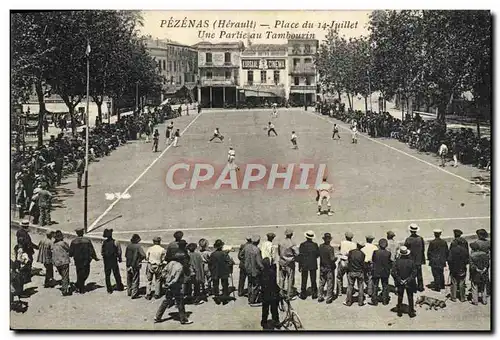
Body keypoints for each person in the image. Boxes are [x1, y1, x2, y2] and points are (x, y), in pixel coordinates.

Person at [155, 251, 193, 325]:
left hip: (168, 284)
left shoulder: (171, 263)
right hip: (176, 286)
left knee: (166, 301)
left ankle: (158, 316)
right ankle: (183, 319)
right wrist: (169, 284)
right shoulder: (180, 267)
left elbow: (163, 271)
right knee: (180, 303)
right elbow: (176, 279)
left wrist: (166, 280)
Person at [69, 227, 100, 294]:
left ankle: (79, 285)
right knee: (86, 272)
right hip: (86, 260)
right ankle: (81, 287)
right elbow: (91, 251)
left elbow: (71, 253)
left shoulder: (73, 242)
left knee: (79, 272)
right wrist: (95, 258)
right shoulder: (87, 241)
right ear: (82, 233)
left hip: (77, 260)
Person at [392, 246, 417, 318]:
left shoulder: (396, 262)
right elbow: (414, 273)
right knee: (410, 297)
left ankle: (399, 312)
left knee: (400, 296)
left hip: (400, 282)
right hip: (409, 282)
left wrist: (400, 280)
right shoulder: (411, 262)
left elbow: (393, 272)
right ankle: (411, 312)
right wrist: (407, 280)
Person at [101, 228, 124, 294]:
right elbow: (119, 251)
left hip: (106, 260)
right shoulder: (116, 242)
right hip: (113, 260)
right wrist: (120, 258)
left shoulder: (104, 242)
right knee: (116, 273)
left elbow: (102, 252)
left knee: (107, 274)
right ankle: (119, 286)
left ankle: (109, 289)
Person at [298, 230, 319, 300]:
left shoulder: (302, 245)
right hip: (313, 263)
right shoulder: (315, 245)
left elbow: (300, 256)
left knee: (304, 279)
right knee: (313, 279)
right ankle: (314, 293)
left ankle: (303, 294)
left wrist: (300, 265)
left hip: (304, 264)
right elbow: (317, 255)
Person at [404, 223, 425, 292]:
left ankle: (413, 287)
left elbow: (405, 249)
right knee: (419, 274)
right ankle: (420, 287)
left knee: (411, 274)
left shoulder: (408, 239)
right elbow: (423, 249)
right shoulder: (420, 239)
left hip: (411, 259)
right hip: (419, 259)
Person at [371, 238, 392, 306]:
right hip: (385, 272)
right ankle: (385, 300)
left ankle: (374, 300)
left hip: (376, 271)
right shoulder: (388, 253)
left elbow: (373, 260)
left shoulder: (375, 252)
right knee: (385, 286)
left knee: (375, 285)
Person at [278, 229, 298, 300]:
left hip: (282, 262)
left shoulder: (281, 242)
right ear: (291, 235)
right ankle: (289, 295)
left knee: (281, 279)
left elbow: (279, 252)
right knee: (290, 279)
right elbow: (297, 253)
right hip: (290, 263)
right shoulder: (292, 243)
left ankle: (280, 293)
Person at [261, 258, 280, 329]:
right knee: (274, 310)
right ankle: (276, 321)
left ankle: (264, 322)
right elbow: (274, 284)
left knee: (265, 310)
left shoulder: (262, 273)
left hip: (265, 295)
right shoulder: (272, 272)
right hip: (272, 295)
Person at [125, 233, 146, 299]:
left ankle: (129, 291)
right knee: (135, 279)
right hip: (135, 265)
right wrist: (139, 259)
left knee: (129, 278)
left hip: (128, 264)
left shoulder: (128, 246)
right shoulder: (138, 246)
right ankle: (134, 293)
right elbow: (143, 255)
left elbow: (126, 255)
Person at [344, 242, 365, 306]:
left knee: (350, 286)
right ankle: (360, 302)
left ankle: (348, 302)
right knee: (361, 287)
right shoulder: (362, 254)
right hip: (359, 272)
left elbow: (348, 261)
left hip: (352, 271)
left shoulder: (351, 252)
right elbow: (362, 264)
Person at [448, 238, 469, 302]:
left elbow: (449, 260)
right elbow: (467, 260)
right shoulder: (465, 250)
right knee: (462, 283)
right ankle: (462, 298)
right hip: (462, 269)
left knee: (454, 283)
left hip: (454, 269)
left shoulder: (452, 250)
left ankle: (453, 297)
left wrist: (450, 267)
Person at [336, 231, 357, 297]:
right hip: (350, 262)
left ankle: (339, 291)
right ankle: (350, 290)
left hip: (343, 261)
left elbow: (339, 248)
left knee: (339, 277)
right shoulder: (354, 244)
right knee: (349, 278)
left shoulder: (342, 242)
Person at [318, 232, 337, 303]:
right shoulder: (330, 248)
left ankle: (320, 296)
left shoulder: (320, 246)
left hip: (322, 266)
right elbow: (332, 259)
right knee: (330, 283)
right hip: (329, 268)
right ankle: (329, 298)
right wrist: (336, 258)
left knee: (321, 282)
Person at [51, 230, 72, 296]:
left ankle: (66, 284)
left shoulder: (53, 244)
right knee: (65, 275)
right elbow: (69, 249)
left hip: (57, 262)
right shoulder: (63, 243)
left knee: (62, 275)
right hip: (64, 261)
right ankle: (65, 290)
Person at [245, 235, 264, 305]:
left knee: (250, 284)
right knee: (256, 285)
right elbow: (259, 262)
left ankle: (249, 297)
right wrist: (263, 268)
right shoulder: (257, 250)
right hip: (255, 270)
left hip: (248, 269)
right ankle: (252, 300)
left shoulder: (247, 248)